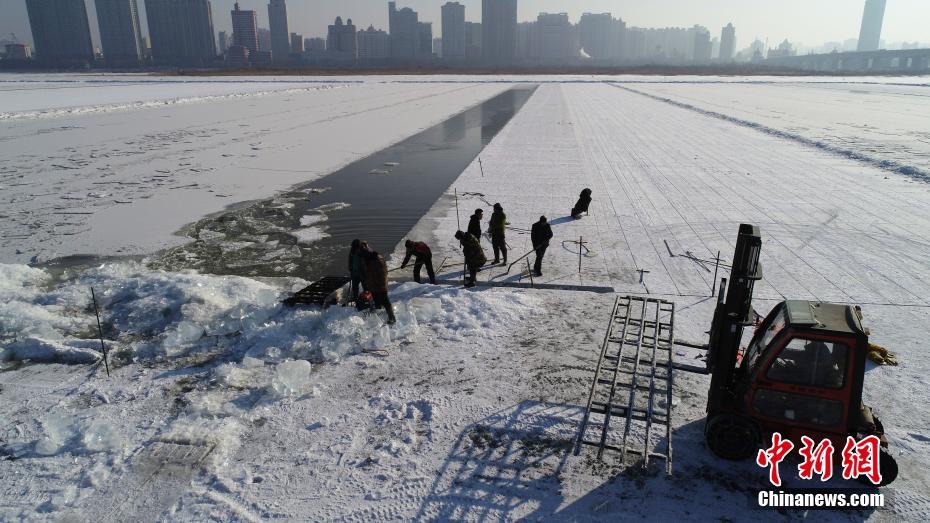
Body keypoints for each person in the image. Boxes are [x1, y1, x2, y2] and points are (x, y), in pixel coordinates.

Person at [362, 248, 397, 324]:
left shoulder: (375, 261)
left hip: (379, 285)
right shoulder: (375, 258)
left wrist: (374, 284)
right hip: (376, 285)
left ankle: (392, 318)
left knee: (385, 301)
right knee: (378, 302)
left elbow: (379, 274)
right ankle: (380, 319)